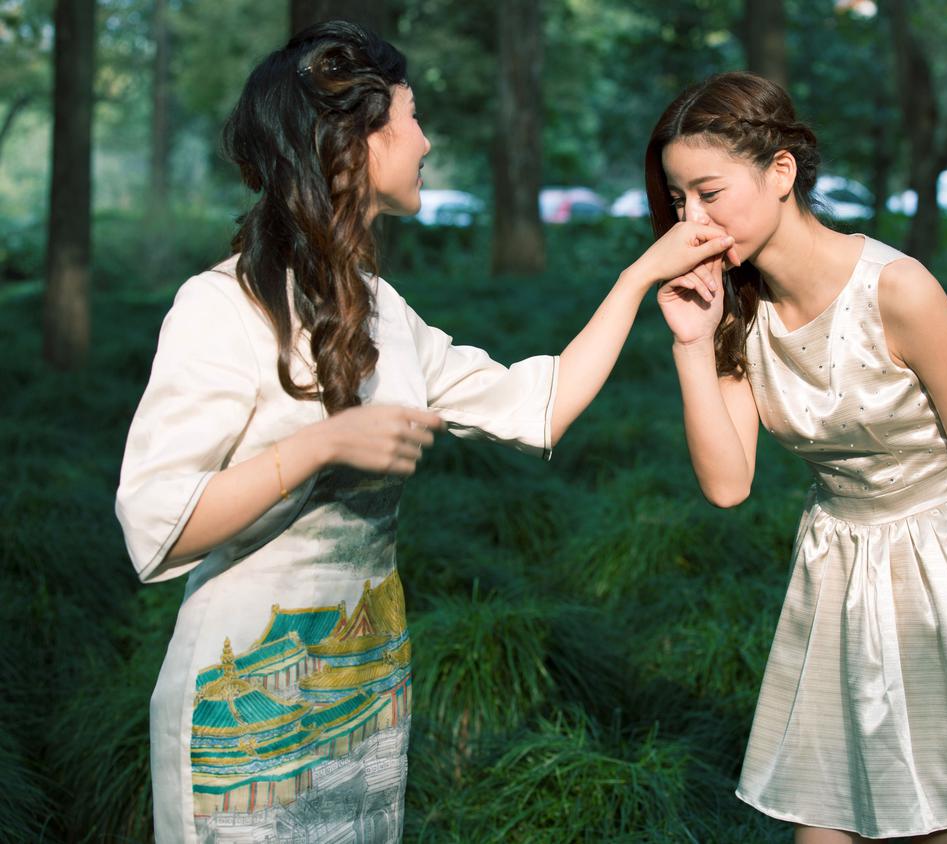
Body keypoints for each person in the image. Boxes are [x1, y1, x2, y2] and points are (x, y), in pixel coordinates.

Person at [115, 21, 731, 843]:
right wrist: (321, 446)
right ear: (353, 142)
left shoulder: (384, 311)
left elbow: (536, 405)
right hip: (247, 705)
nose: (427, 141)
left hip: (365, 692)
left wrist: (639, 279)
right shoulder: (223, 307)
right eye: (411, 118)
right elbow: (155, 524)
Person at [646, 71, 947, 844]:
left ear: (780, 172)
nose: (690, 221)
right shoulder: (737, 311)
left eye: (709, 193)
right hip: (837, 580)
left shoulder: (899, 291)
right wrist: (691, 345)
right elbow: (728, 486)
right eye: (678, 201)